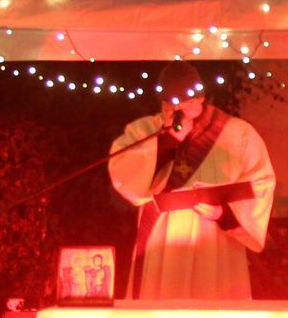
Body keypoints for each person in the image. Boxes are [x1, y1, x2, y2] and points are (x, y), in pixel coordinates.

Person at [108, 61, 276, 300]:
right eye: (170, 102)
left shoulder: (238, 133)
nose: (177, 108)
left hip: (214, 240)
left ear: (200, 98)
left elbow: (261, 184)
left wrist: (224, 214)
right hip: (163, 237)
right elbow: (125, 175)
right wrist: (168, 142)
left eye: (186, 101)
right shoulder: (146, 130)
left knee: (213, 302)